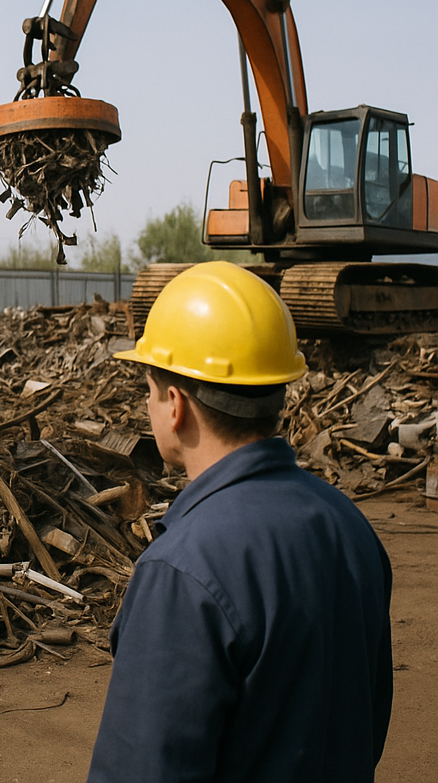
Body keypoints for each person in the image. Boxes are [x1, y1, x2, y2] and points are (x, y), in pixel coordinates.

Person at [87, 262, 392, 783]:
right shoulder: (350, 527)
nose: (147, 401)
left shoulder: (183, 570)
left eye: (150, 387)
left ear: (176, 405)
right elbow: (366, 718)